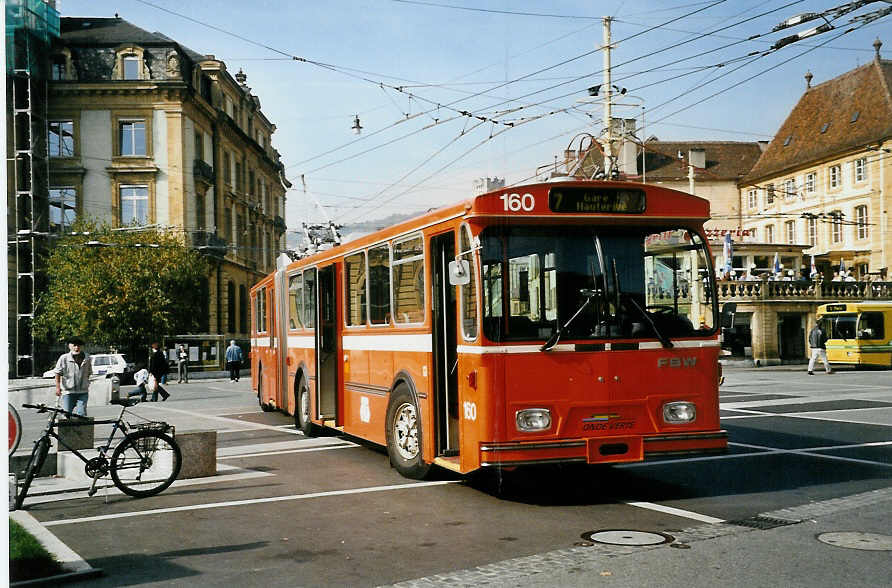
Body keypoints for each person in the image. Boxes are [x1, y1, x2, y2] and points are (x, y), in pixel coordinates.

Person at [53, 336, 93, 416]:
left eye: (79, 345)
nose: (76, 347)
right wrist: (58, 387)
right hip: (68, 392)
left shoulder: (87, 358)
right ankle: (68, 428)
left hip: (82, 392)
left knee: (81, 415)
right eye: (74, 345)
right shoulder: (64, 358)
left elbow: (89, 372)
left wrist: (86, 383)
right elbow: (57, 373)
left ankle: (80, 428)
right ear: (69, 346)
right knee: (66, 414)